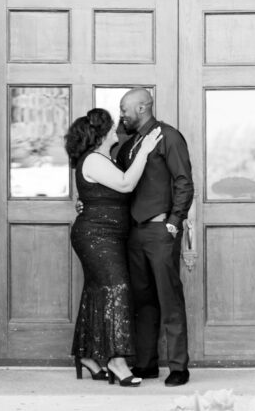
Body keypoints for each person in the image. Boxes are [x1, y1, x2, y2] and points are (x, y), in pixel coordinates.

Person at [65, 107, 162, 387]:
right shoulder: (94, 159)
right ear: (102, 134)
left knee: (97, 292)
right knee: (117, 289)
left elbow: (99, 193)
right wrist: (145, 150)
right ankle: (116, 361)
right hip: (96, 236)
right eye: (111, 127)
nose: (116, 130)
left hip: (107, 235)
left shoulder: (102, 159)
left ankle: (88, 356)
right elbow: (125, 183)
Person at [117, 88, 194, 387]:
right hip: (135, 234)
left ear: (142, 107)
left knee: (169, 299)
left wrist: (174, 223)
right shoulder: (131, 143)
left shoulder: (169, 137)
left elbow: (184, 182)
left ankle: (179, 367)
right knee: (143, 301)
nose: (121, 113)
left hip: (161, 231)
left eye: (124, 108)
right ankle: (146, 364)